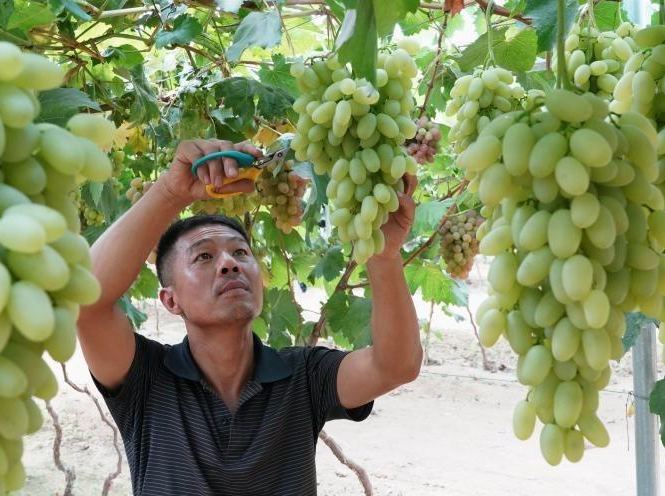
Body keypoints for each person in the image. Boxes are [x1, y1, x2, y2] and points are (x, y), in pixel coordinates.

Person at [79, 139, 423, 495]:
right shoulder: (146, 379)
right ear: (170, 300)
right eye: (203, 257)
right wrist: (170, 191)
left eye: (240, 252)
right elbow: (85, 299)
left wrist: (383, 256)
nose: (229, 263)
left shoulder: (304, 377)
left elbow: (396, 365)